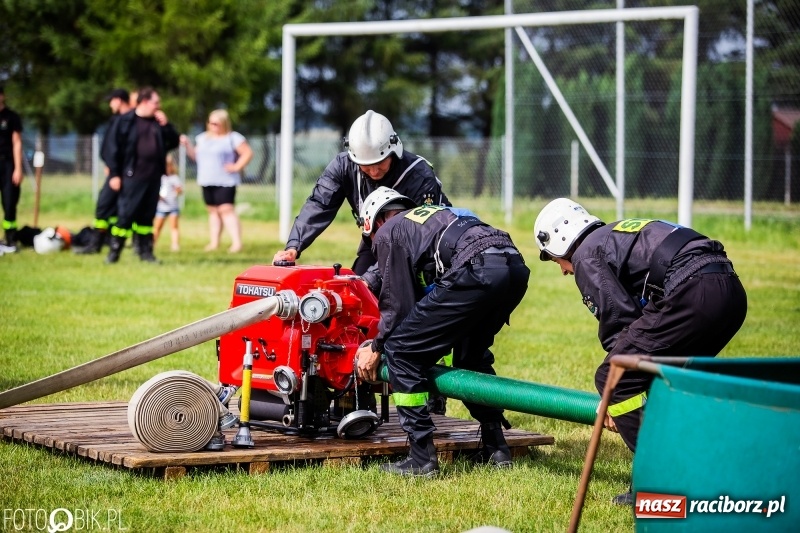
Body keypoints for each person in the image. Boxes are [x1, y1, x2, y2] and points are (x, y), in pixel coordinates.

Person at [533, 198, 748, 504]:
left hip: (695, 291)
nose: (563, 271)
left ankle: (662, 484)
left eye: (555, 261)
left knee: (615, 375)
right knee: (665, 382)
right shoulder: (611, 235)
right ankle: (676, 477)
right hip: (729, 291)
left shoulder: (586, 256)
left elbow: (620, 325)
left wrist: (611, 398)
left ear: (560, 240)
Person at [355, 187, 530, 477]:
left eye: (370, 237)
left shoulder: (390, 232)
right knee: (471, 357)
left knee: (401, 352)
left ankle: (421, 457)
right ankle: (496, 448)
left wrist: (377, 347)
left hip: (478, 267)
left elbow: (398, 308)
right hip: (512, 265)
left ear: (377, 222)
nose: (375, 245)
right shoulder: (430, 217)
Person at [272, 110, 451, 287]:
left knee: (395, 296)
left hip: (427, 248)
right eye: (366, 166)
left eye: (380, 163)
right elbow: (319, 205)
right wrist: (293, 246)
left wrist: (372, 279)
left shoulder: (418, 176)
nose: (374, 172)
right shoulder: (342, 167)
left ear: (393, 150)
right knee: (356, 290)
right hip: (375, 239)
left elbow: (416, 238)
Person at [103, 87, 180, 263]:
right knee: (126, 215)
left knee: (147, 217)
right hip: (132, 176)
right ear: (144, 102)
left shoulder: (157, 123)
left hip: (153, 177)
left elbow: (174, 141)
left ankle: (146, 252)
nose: (158, 106)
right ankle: (114, 252)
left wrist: (166, 124)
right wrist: (115, 173)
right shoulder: (125, 121)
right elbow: (111, 148)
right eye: (156, 102)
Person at [180, 109, 252, 253]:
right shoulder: (203, 138)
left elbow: (248, 153)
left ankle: (237, 243)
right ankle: (214, 242)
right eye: (210, 122)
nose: (212, 126)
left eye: (216, 123)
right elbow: (195, 157)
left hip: (225, 180)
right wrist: (187, 145)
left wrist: (237, 166)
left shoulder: (233, 137)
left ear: (224, 123)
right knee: (213, 211)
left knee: (226, 210)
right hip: (207, 179)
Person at [75, 88, 133, 254]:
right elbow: (110, 148)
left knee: (113, 208)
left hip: (123, 174)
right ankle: (99, 242)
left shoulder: (129, 120)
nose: (110, 104)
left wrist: (116, 172)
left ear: (120, 100)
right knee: (106, 207)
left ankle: (109, 243)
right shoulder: (116, 120)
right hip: (115, 172)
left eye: (112, 100)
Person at [0, 86, 24, 253]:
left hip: (8, 164)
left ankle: (10, 238)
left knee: (9, 203)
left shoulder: (11, 117)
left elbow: (17, 143)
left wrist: (18, 168)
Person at [153, 153, 182, 252]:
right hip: (161, 207)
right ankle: (152, 243)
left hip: (172, 206)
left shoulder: (174, 178)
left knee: (174, 226)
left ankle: (175, 244)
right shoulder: (158, 178)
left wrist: (175, 193)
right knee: (157, 226)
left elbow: (179, 189)